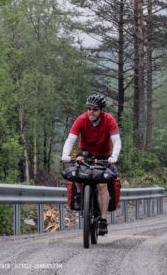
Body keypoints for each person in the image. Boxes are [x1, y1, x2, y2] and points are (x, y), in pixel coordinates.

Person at [61, 93, 121, 235]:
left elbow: (116, 141)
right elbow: (71, 140)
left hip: (104, 156)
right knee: (77, 172)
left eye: (94, 109)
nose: (91, 112)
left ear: (101, 110)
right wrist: (65, 155)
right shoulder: (81, 120)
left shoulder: (109, 120)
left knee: (102, 184)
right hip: (85, 153)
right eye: (89, 108)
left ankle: (103, 221)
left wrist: (114, 156)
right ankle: (81, 196)